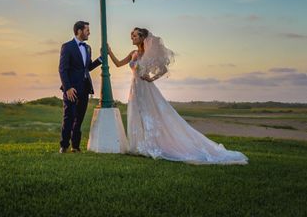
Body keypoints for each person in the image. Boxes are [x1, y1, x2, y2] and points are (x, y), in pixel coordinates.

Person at [107, 27, 248, 164]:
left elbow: (163, 69)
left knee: (150, 115)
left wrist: (152, 78)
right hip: (134, 88)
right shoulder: (133, 53)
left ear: (143, 38)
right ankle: (138, 146)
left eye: (135, 36)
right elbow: (118, 64)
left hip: (145, 88)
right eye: (132, 36)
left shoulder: (149, 54)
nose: (132, 38)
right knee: (137, 114)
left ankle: (151, 145)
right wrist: (109, 52)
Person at [58, 21, 102, 153]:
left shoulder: (88, 48)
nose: (89, 32)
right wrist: (68, 88)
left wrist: (100, 59)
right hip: (71, 89)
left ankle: (75, 146)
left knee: (79, 118)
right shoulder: (67, 47)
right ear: (79, 31)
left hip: (84, 88)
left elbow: (87, 68)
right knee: (69, 117)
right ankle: (64, 145)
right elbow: (62, 69)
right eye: (87, 30)